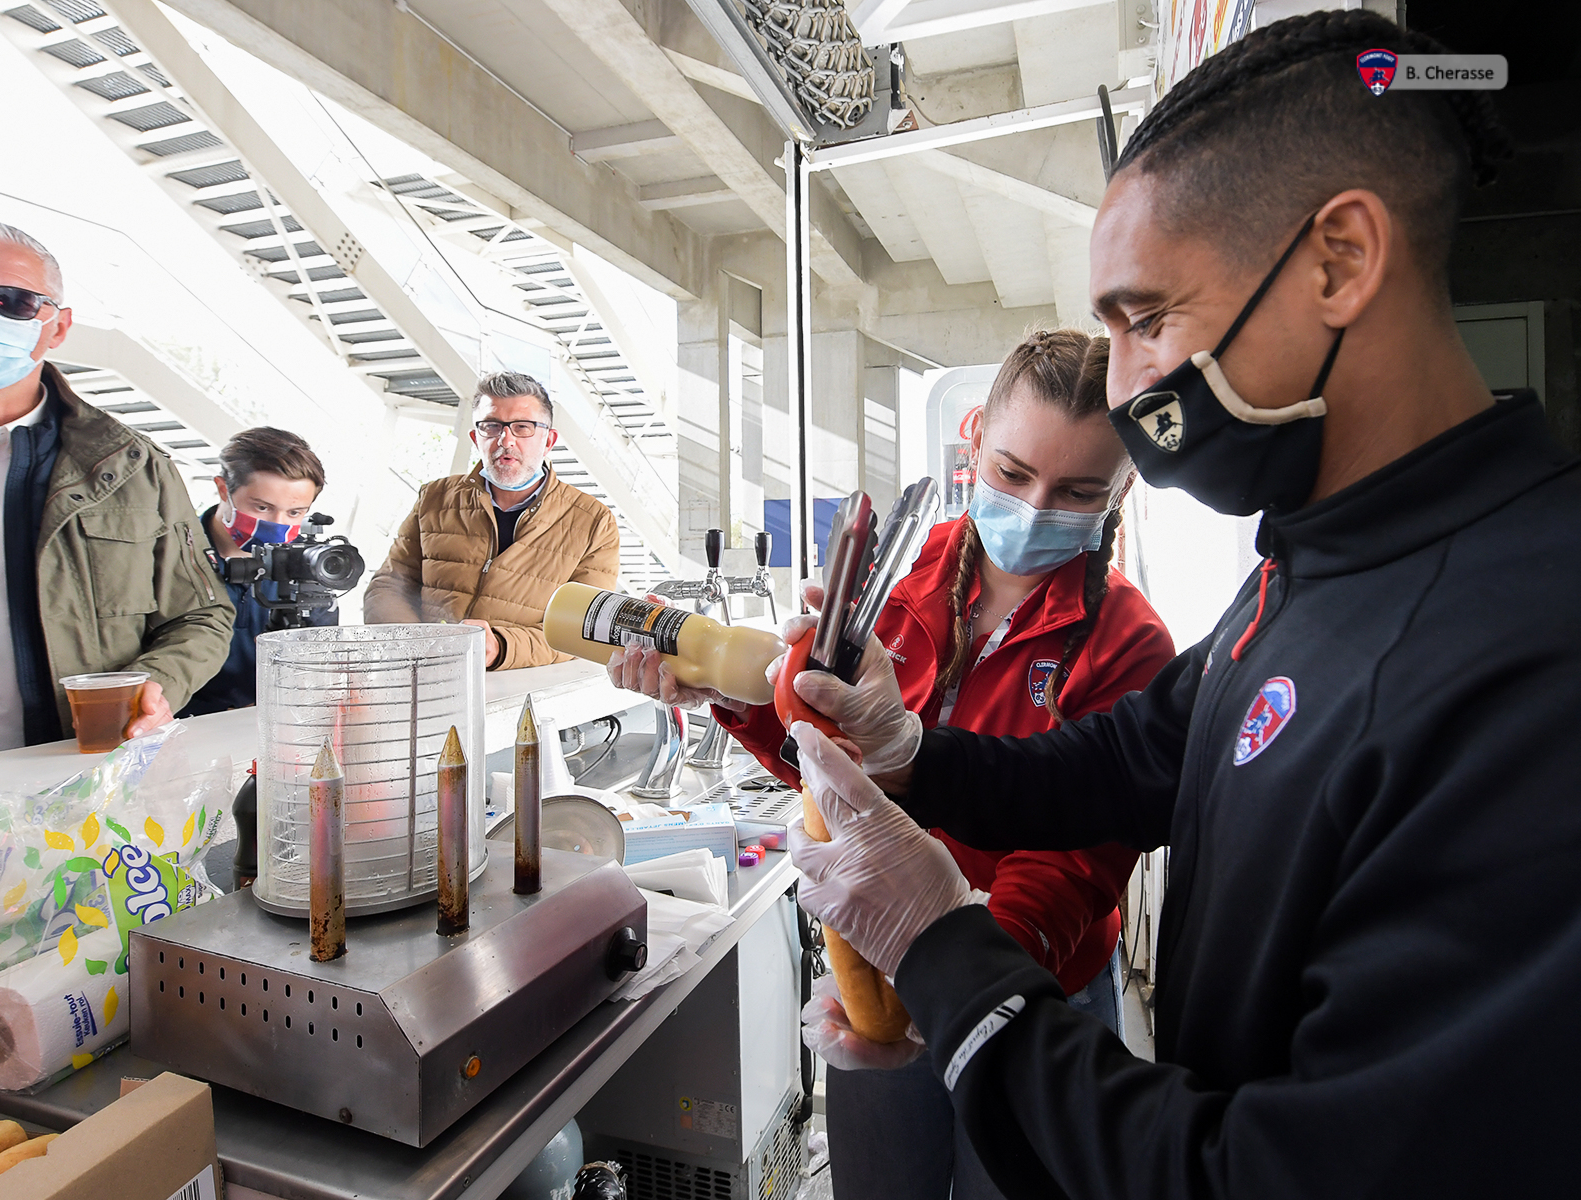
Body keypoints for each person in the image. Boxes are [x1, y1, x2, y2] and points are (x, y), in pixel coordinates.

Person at [784, 11, 1580, 1196]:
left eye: (1147, 319)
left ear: (1339, 263)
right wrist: (918, 760)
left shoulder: (1529, 663)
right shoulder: (1311, 564)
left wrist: (946, 951)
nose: (1124, 383)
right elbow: (1127, 759)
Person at [610, 331, 1174, 1200]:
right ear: (976, 435)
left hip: (1028, 995)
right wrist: (732, 695)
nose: (1034, 507)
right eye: (1015, 474)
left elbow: (1077, 860)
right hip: (877, 971)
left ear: (1123, 484)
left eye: (1078, 491)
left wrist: (957, 975)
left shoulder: (1128, 644)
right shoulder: (902, 581)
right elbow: (834, 778)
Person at [0, 220, 233, 754]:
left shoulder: (131, 468)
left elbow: (201, 614)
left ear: (58, 327)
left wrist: (156, 684)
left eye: (10, 300)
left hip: (70, 777)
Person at [364, 371, 619, 669]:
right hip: (423, 676)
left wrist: (501, 648)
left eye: (522, 427)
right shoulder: (435, 498)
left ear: (548, 440)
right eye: (491, 426)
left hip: (521, 686)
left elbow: (585, 631)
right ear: (475, 437)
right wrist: (413, 644)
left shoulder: (593, 522)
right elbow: (388, 585)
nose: (505, 439)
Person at [179, 427, 335, 716]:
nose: (277, 526)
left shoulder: (312, 563)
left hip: (273, 726)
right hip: (181, 726)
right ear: (223, 488)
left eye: (294, 513)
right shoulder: (172, 557)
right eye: (262, 507)